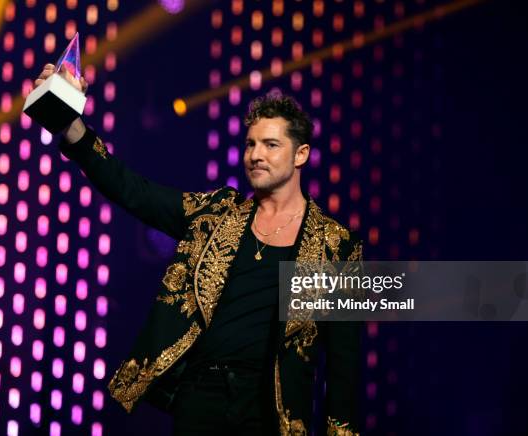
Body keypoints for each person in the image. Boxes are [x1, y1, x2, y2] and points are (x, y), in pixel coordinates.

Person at [34, 64, 363, 436]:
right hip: (201, 398)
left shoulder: (335, 245)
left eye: (271, 145)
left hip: (271, 411)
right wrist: (70, 123)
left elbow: (344, 363)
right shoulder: (217, 213)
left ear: (301, 154)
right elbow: (133, 191)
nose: (255, 155)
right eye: (250, 144)